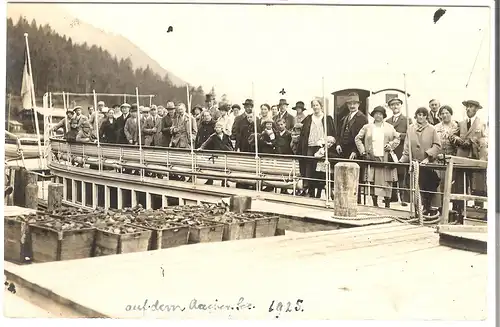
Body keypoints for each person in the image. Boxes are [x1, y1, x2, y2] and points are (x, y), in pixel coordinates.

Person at [355, 106, 400, 208]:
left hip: (385, 159)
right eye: (376, 113)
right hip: (372, 158)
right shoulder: (367, 127)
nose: (378, 115)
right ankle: (375, 204)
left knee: (387, 182)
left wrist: (391, 145)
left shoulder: (389, 127)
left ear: (383, 116)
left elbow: (397, 138)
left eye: (380, 114)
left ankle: (387, 204)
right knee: (372, 180)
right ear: (373, 115)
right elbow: (357, 139)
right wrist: (363, 151)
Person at [400, 107, 441, 216]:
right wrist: (402, 160)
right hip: (415, 164)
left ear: (426, 116)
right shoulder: (410, 129)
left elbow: (437, 145)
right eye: (419, 115)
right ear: (416, 116)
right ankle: (417, 210)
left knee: (429, 187)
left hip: (428, 164)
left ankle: (428, 208)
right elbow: (407, 147)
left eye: (423, 115)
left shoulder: (432, 129)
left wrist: (428, 157)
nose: (421, 117)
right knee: (415, 188)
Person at [451, 100, 488, 217]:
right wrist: (457, 139)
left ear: (476, 109)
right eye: (467, 107)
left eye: (471, 107)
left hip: (475, 157)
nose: (468, 109)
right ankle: (459, 211)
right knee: (460, 184)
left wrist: (472, 141)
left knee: (478, 183)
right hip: (461, 156)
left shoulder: (482, 124)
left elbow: (485, 139)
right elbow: (452, 136)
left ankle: (478, 212)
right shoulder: (461, 123)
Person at [297, 99, 336, 198]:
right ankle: (310, 190)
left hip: (322, 147)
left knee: (320, 170)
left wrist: (329, 144)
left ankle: (320, 191)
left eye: (317, 105)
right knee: (309, 168)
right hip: (310, 146)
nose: (315, 107)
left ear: (321, 106)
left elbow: (333, 133)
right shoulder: (309, 118)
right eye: (313, 105)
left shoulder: (327, 118)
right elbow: (303, 134)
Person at [434, 105, 460, 219]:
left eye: (447, 113)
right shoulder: (436, 127)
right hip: (440, 160)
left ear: (451, 113)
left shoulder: (457, 126)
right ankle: (441, 211)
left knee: (453, 185)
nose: (445, 115)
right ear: (439, 115)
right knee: (441, 185)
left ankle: (455, 211)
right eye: (442, 113)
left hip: (453, 159)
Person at [386, 97, 411, 206]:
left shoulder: (407, 120)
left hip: (402, 150)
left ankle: (404, 198)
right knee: (391, 173)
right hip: (391, 150)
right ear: (390, 107)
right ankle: (392, 196)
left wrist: (399, 135)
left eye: (397, 104)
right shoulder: (387, 121)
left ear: (401, 106)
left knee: (402, 174)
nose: (395, 106)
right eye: (393, 105)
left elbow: (410, 135)